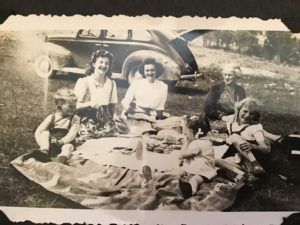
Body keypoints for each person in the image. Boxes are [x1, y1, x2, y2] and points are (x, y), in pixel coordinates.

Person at [74, 49, 118, 139]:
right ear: (93, 64)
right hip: (87, 117)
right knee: (89, 133)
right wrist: (90, 103)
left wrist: (115, 118)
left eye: (107, 63)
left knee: (112, 131)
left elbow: (112, 107)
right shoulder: (84, 82)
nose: (104, 65)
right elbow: (75, 106)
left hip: (104, 118)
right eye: (101, 62)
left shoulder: (112, 83)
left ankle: (99, 135)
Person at [34, 88, 80, 164]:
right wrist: (41, 142)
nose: (73, 109)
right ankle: (44, 151)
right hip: (53, 142)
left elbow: (72, 134)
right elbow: (39, 131)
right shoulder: (52, 117)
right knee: (45, 133)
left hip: (66, 142)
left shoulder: (75, 119)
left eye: (74, 106)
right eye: (70, 107)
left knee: (68, 147)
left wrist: (62, 142)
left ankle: (62, 157)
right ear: (59, 107)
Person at [177, 113, 217, 198]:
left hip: (201, 172)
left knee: (194, 180)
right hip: (203, 170)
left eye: (186, 133)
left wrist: (185, 143)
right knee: (183, 173)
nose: (186, 135)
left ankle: (189, 191)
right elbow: (192, 157)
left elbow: (183, 155)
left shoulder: (197, 144)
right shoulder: (207, 141)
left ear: (191, 131)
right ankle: (175, 182)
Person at [204, 63, 246, 133]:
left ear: (236, 76)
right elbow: (208, 108)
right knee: (245, 128)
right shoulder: (216, 89)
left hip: (235, 119)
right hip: (217, 120)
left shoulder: (240, 90)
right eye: (225, 75)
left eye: (230, 75)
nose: (227, 78)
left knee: (252, 125)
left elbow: (244, 108)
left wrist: (237, 117)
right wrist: (223, 117)